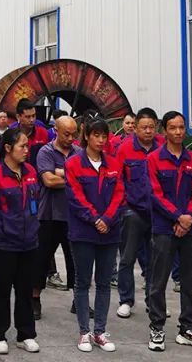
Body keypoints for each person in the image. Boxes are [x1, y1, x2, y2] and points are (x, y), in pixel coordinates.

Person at [144, 111, 192, 351]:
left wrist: (188, 218)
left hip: (190, 228)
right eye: (173, 127)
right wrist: (177, 217)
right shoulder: (154, 159)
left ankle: (187, 328)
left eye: (181, 127)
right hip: (164, 228)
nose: (178, 132)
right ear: (165, 131)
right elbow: (155, 194)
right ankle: (157, 327)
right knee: (158, 281)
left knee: (189, 281)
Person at [0, 128, 41, 354]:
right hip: (3, 243)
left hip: (29, 242)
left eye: (27, 146)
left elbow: (36, 201)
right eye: (22, 146)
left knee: (25, 289)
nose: (26, 150)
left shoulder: (31, 172)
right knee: (1, 289)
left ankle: (26, 334)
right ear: (7, 148)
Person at [64, 119, 123, 353]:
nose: (100, 140)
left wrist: (107, 219)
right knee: (82, 282)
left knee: (104, 283)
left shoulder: (114, 164)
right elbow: (75, 197)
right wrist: (94, 219)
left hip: (110, 232)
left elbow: (119, 195)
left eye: (104, 136)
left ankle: (100, 331)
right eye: (96, 135)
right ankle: (84, 332)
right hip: (83, 232)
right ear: (87, 136)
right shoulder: (73, 164)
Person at [32, 115, 77, 320]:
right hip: (49, 214)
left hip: (73, 215)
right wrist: (74, 177)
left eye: (74, 134)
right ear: (56, 131)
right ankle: (35, 299)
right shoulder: (46, 152)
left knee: (76, 260)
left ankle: (79, 299)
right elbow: (48, 181)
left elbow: (86, 179)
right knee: (40, 260)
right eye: (66, 134)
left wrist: (61, 173)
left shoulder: (79, 153)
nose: (70, 138)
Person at [115, 107, 159, 319]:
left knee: (155, 260)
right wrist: (124, 206)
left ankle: (154, 301)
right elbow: (117, 179)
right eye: (143, 127)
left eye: (151, 127)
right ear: (136, 129)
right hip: (132, 211)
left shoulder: (162, 148)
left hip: (157, 213)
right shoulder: (124, 149)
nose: (148, 131)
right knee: (127, 258)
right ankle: (126, 300)